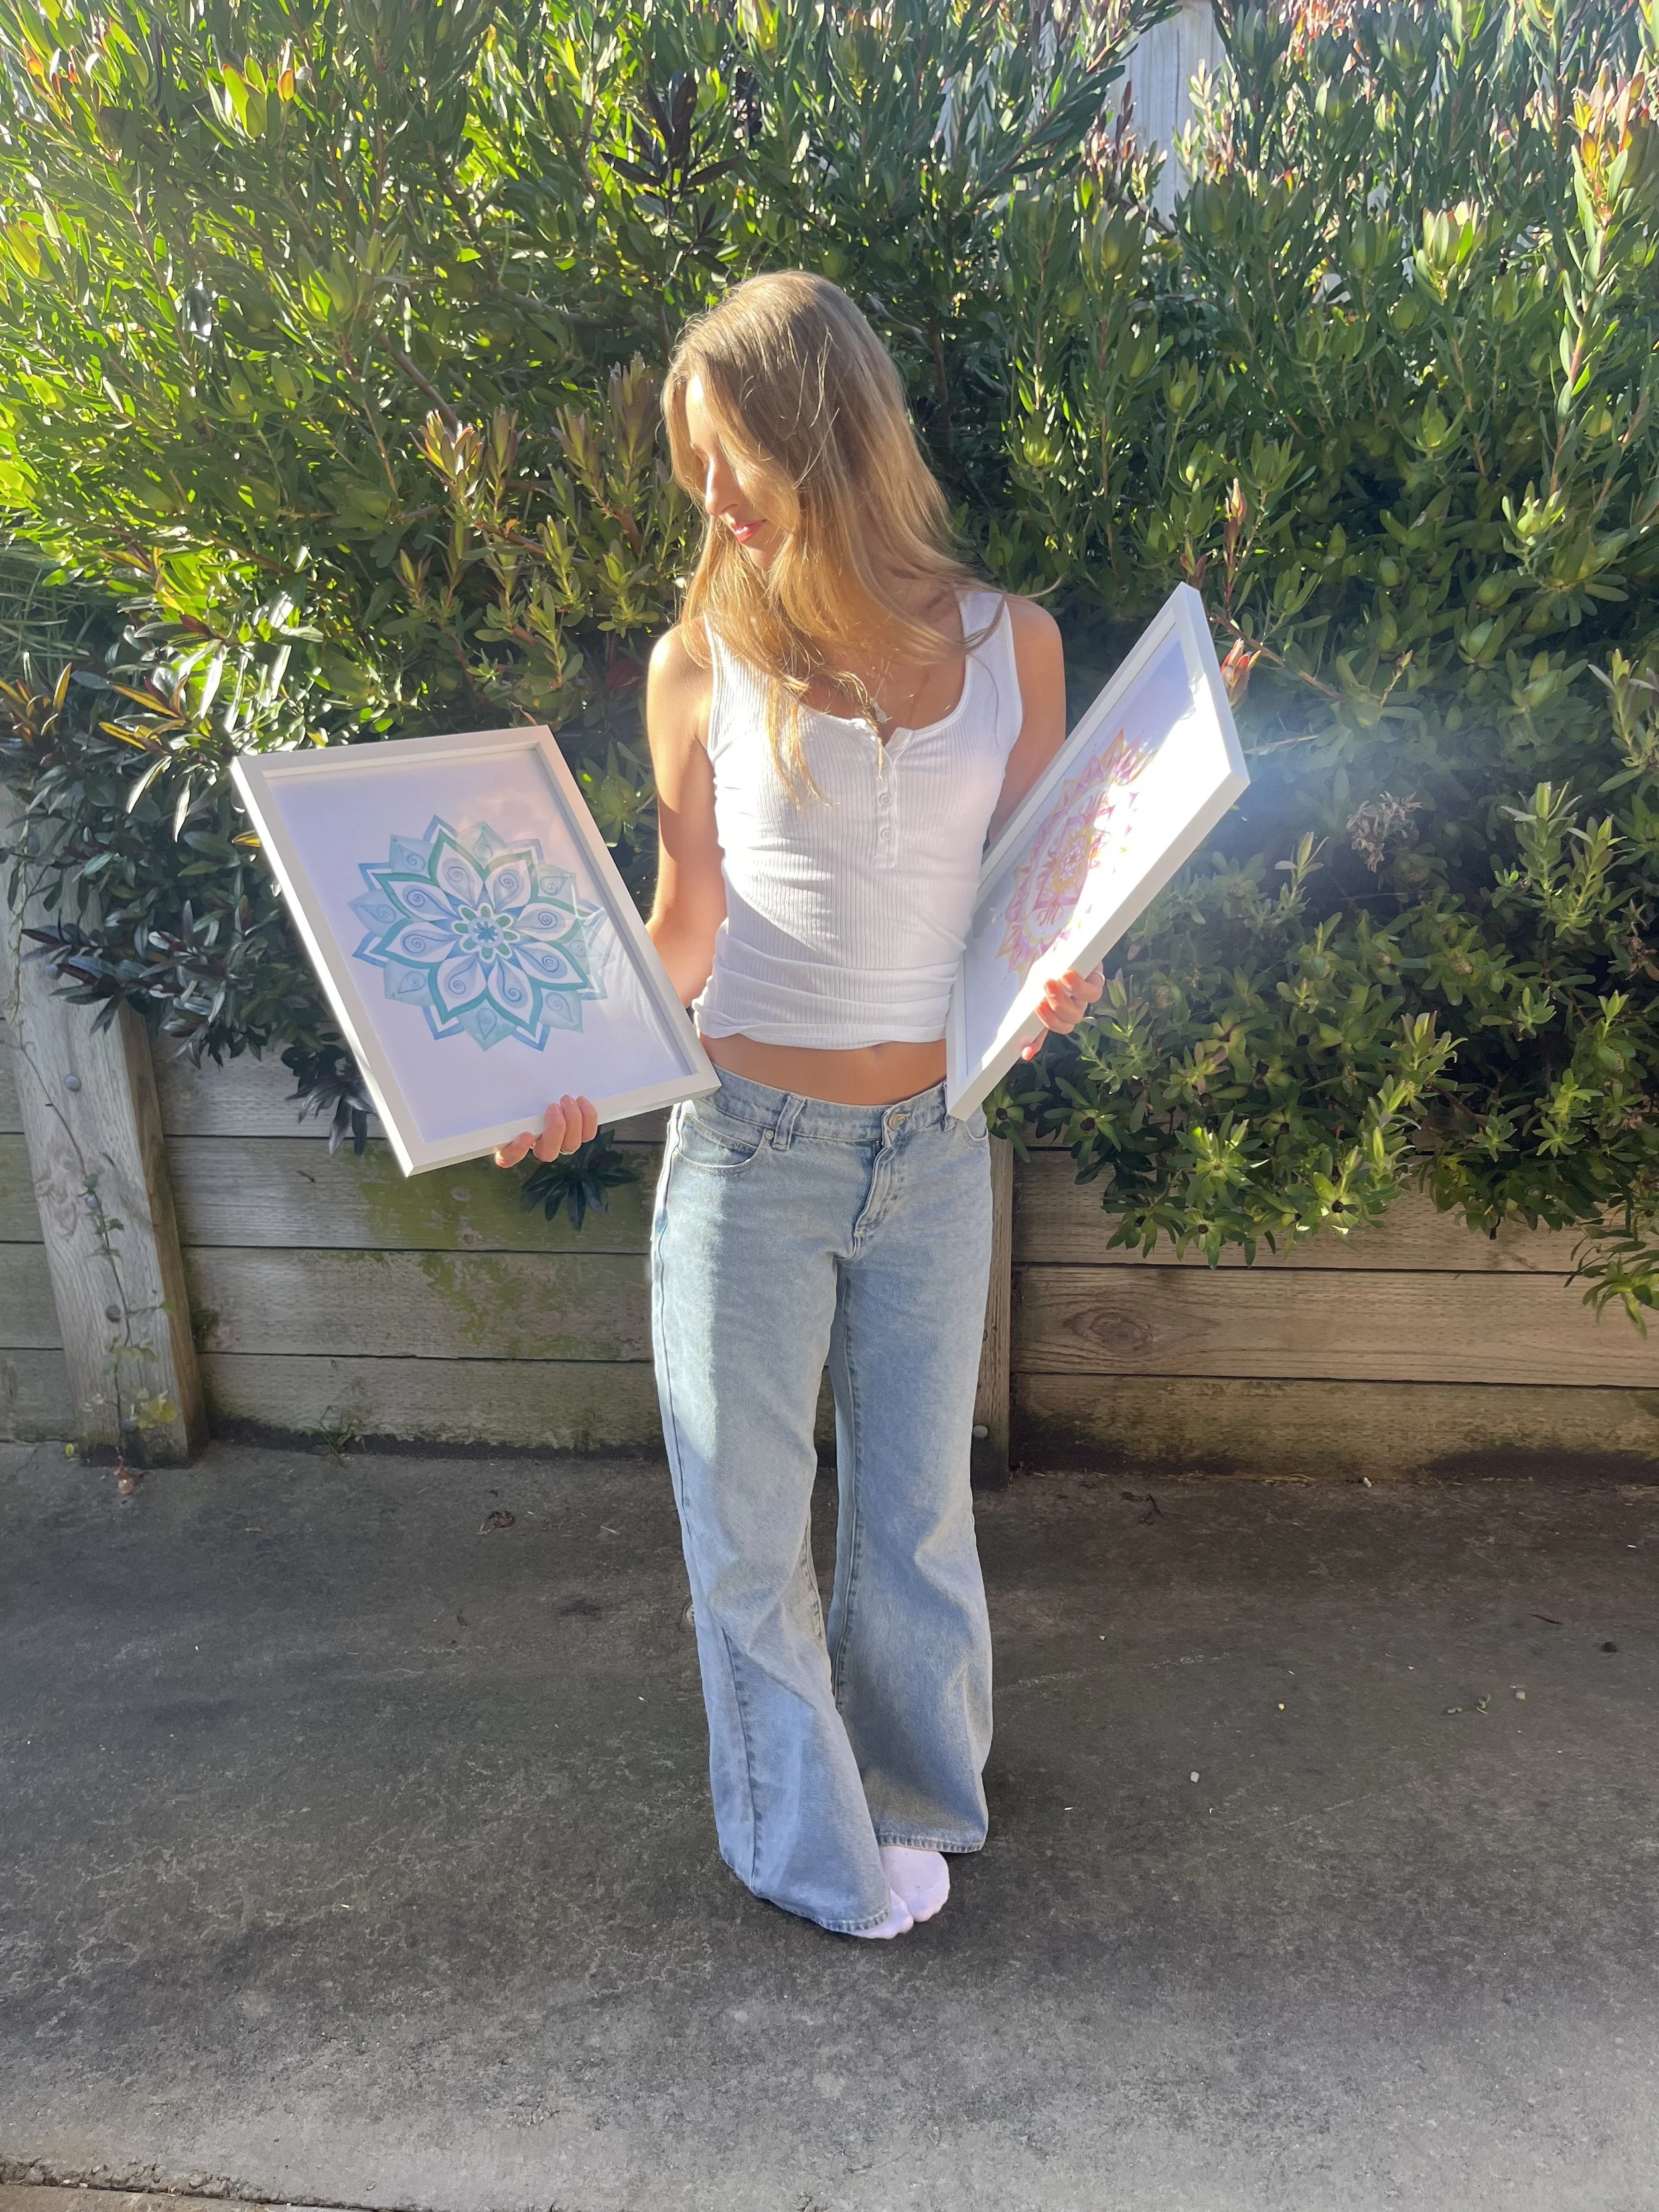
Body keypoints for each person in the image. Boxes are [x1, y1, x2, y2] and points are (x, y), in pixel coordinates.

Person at [495, 271, 1101, 1938]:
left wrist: (1062, 979)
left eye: (729, 457)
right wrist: (556, 1060)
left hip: (934, 1151)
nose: (709, 499)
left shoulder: (1010, 647)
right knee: (747, 1541)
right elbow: (680, 928)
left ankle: (915, 1797)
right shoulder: (701, 664)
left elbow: (1029, 913)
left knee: (911, 1517)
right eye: (693, 466)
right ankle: (803, 1845)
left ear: (821, 431)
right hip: (744, 1154)